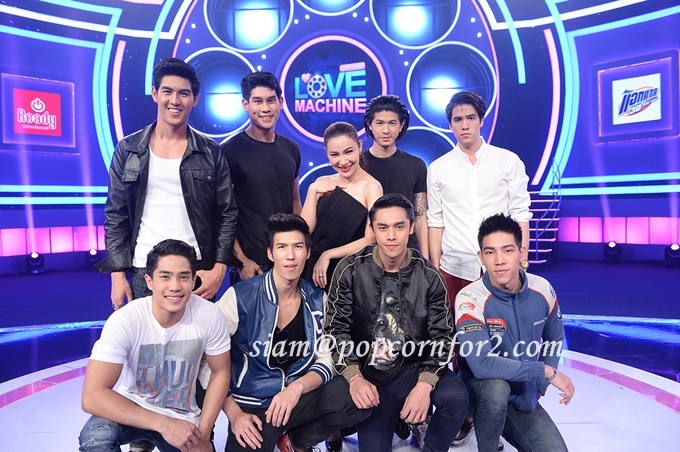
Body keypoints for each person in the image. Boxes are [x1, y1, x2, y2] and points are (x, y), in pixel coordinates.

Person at [325, 193, 469, 452]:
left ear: (411, 227)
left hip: (412, 369)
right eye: (383, 227)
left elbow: (442, 337)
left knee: (456, 397)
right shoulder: (350, 269)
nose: (391, 236)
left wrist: (424, 384)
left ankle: (430, 444)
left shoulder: (429, 275)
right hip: (370, 374)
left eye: (399, 226)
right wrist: (354, 377)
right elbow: (337, 329)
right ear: (372, 229)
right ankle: (397, 421)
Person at [215, 214, 369, 452]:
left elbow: (327, 357)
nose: (290, 255)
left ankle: (295, 441)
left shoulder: (317, 299)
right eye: (282, 247)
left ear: (308, 252)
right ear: (270, 253)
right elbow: (208, 363)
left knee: (357, 397)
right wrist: (235, 415)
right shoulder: (239, 297)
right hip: (253, 406)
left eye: (298, 247)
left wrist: (296, 389)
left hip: (297, 398)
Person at [97, 57, 237, 306]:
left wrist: (219, 268)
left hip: (197, 270)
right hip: (145, 270)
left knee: (199, 334)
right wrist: (117, 275)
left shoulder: (211, 151)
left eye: (184, 93)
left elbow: (226, 213)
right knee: (147, 334)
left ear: (195, 99)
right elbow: (116, 215)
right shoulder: (128, 149)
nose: (175, 100)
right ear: (155, 94)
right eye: (167, 91)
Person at [79, 239, 231, 452]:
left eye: (183, 277)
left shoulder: (210, 315)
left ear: (194, 280)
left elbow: (220, 372)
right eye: (165, 277)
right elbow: (92, 396)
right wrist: (164, 425)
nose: (175, 286)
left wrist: (203, 434)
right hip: (134, 407)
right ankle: (142, 441)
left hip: (182, 416)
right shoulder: (126, 319)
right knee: (95, 438)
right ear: (149, 281)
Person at [454, 214, 575, 452]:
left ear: (522, 252)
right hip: (479, 390)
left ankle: (505, 419)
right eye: (490, 252)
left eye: (508, 250)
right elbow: (482, 364)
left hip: (521, 392)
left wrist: (539, 385)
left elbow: (554, 339)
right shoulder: (470, 298)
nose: (499, 260)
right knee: (496, 389)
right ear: (481, 257)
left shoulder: (542, 289)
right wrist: (543, 371)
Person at [427, 90, 532, 305]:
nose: (465, 125)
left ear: (481, 121)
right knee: (455, 325)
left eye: (471, 118)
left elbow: (520, 214)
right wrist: (435, 267)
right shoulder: (438, 168)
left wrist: (522, 260)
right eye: (458, 120)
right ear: (450, 125)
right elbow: (436, 221)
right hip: (454, 268)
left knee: (504, 325)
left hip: (501, 265)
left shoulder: (508, 161)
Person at [222, 72, 302, 284]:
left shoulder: (291, 149)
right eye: (257, 101)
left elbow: (295, 200)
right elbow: (222, 212)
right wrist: (241, 260)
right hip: (252, 265)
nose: (265, 108)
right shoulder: (229, 151)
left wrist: (301, 246)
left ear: (280, 103)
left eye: (271, 100)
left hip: (288, 261)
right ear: (246, 104)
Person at [300, 122, 382, 290]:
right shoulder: (321, 182)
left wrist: (328, 255)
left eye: (348, 152)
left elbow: (371, 238)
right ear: (326, 153)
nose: (343, 161)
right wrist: (312, 191)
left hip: (344, 270)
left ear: (360, 146)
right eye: (334, 155)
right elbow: (304, 231)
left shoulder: (372, 187)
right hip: (307, 267)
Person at [362, 94, 429, 258]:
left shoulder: (416, 165)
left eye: (392, 123)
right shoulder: (356, 165)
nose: (386, 130)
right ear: (370, 124)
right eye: (379, 123)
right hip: (365, 254)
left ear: (401, 125)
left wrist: (425, 261)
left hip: (407, 254)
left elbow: (420, 217)